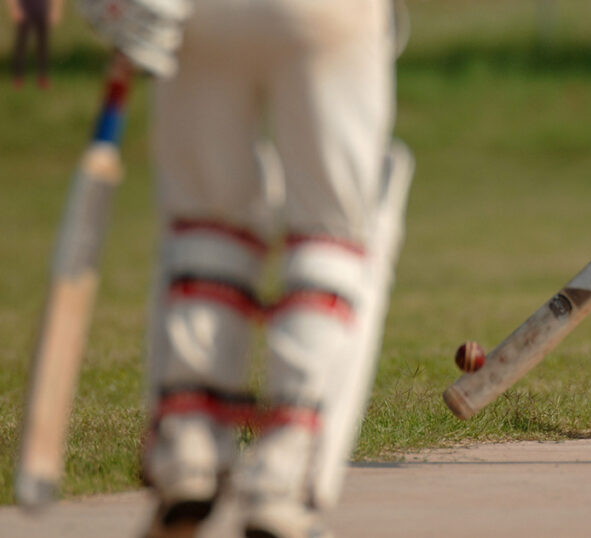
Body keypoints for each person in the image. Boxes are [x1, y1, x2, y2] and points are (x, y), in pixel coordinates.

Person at [79, 0, 411, 536]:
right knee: (328, 233)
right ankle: (285, 469)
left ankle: (189, 443)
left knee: (207, 222)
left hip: (204, 15)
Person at [6, 0, 63, 88]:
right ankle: (18, 77)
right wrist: (15, 9)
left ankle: (42, 77)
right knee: (21, 44)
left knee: (43, 44)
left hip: (42, 8)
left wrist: (55, 11)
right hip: (24, 7)